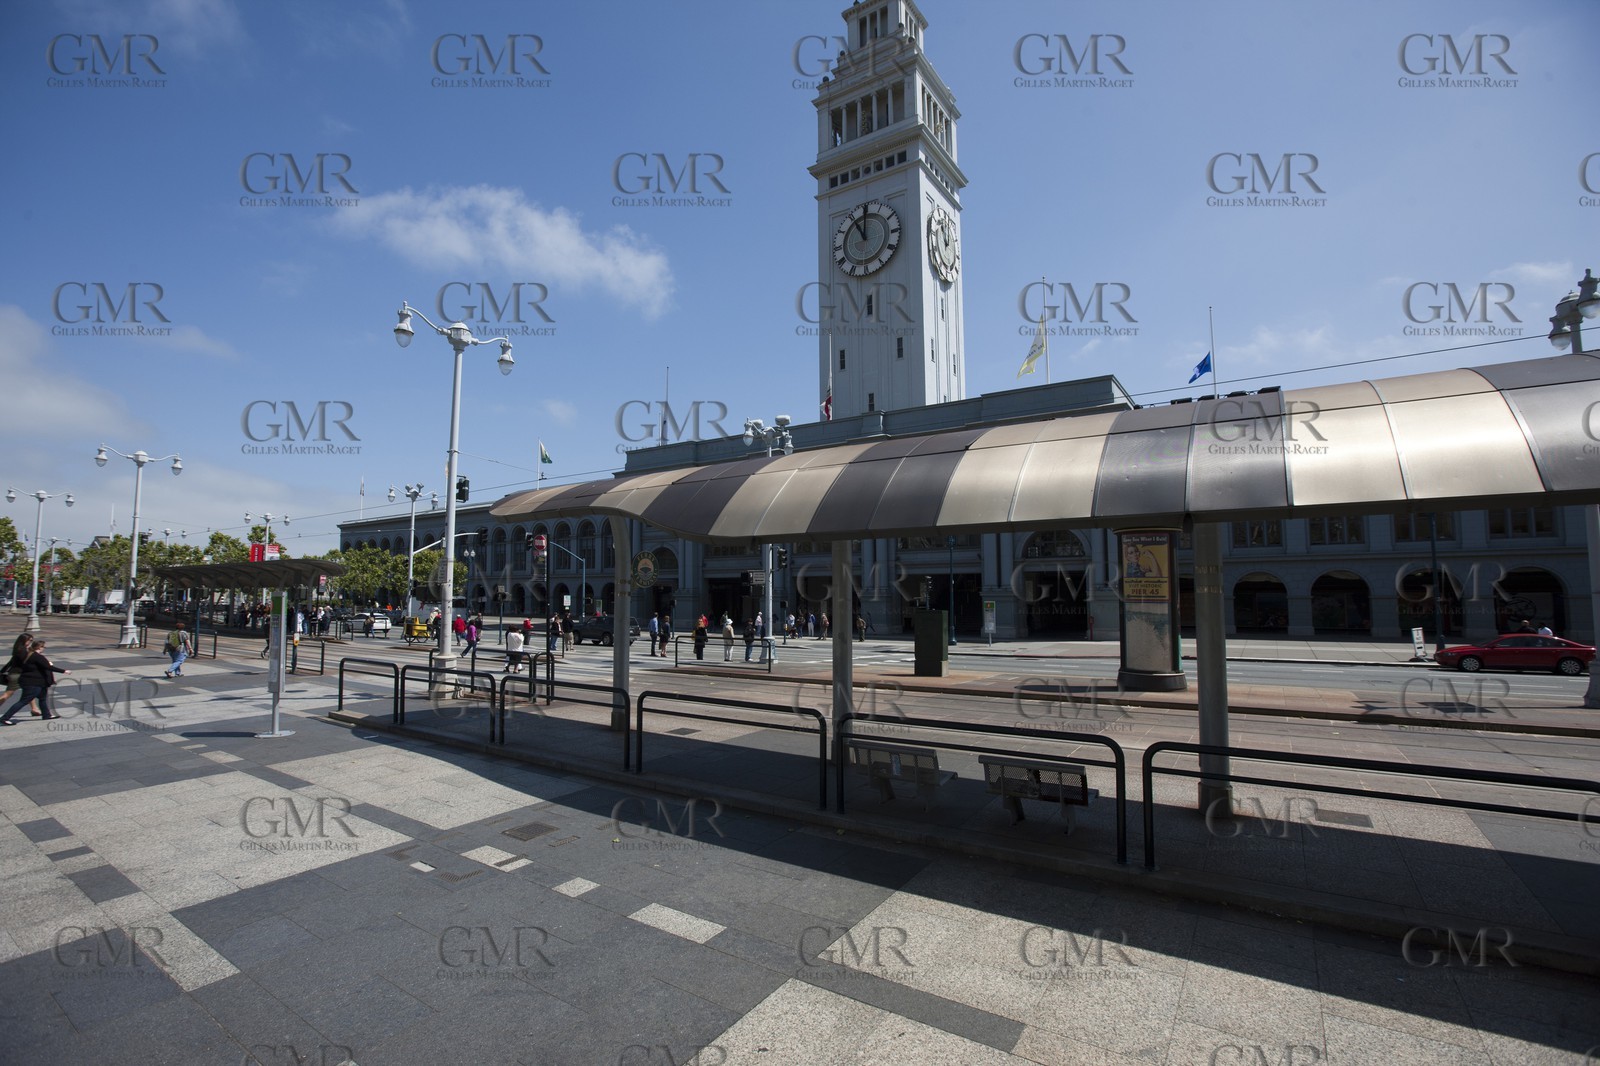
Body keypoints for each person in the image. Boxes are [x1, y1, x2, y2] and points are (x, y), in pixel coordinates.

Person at [1, 638, 69, 724]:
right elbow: (48, 667)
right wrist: (64, 671)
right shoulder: (37, 657)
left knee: (42, 698)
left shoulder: (30, 655)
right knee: (24, 701)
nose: (44, 648)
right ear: (40, 647)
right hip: (33, 683)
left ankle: (46, 715)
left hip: (36, 682)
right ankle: (5, 718)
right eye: (43, 647)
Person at [1, 634, 35, 718]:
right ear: (24, 640)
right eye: (30, 640)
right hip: (17, 675)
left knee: (29, 692)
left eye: (31, 640)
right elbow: (26, 662)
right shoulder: (22, 650)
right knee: (7, 695)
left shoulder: (18, 649)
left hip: (16, 674)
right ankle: (35, 709)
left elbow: (11, 662)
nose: (31, 642)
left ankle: (35, 709)